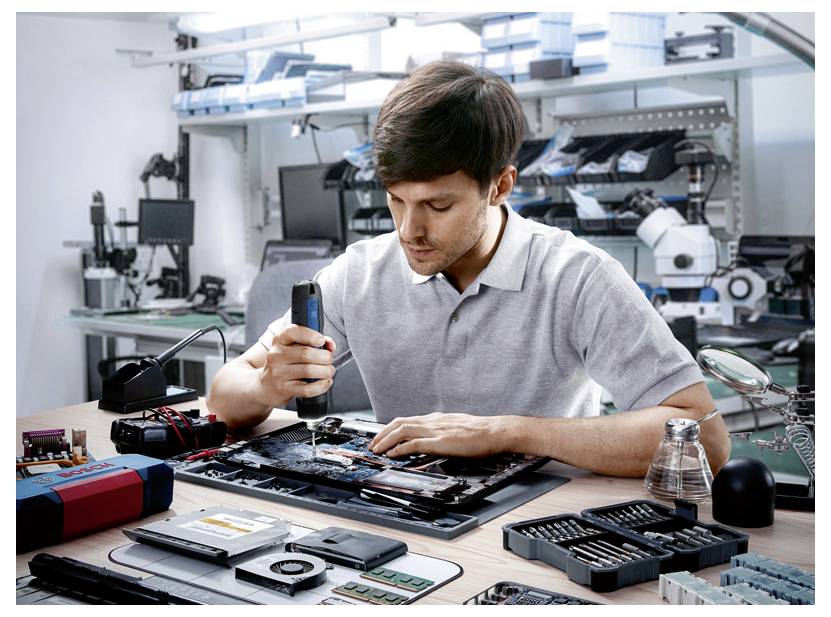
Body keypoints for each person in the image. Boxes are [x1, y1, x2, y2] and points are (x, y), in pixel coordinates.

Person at [208, 61, 730, 477]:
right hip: (401, 506)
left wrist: (506, 432)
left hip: (538, 524)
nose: (410, 230)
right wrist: (268, 387)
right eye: (396, 200)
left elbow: (705, 437)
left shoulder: (578, 277)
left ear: (500, 187)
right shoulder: (357, 273)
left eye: (437, 206)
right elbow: (224, 394)